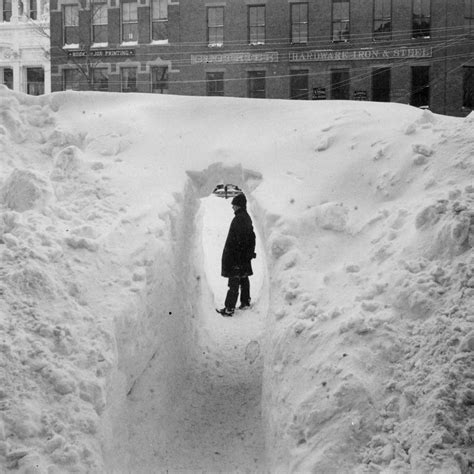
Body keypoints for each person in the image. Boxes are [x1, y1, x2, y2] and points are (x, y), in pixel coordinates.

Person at [216, 193, 256, 317]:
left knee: (233, 282)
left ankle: (229, 308)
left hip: (236, 257)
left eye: (233, 204)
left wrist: (236, 257)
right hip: (242, 257)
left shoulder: (239, 219)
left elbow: (238, 240)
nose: (232, 207)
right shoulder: (246, 217)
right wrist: (246, 254)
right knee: (243, 278)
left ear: (238, 205)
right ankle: (245, 301)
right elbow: (251, 237)